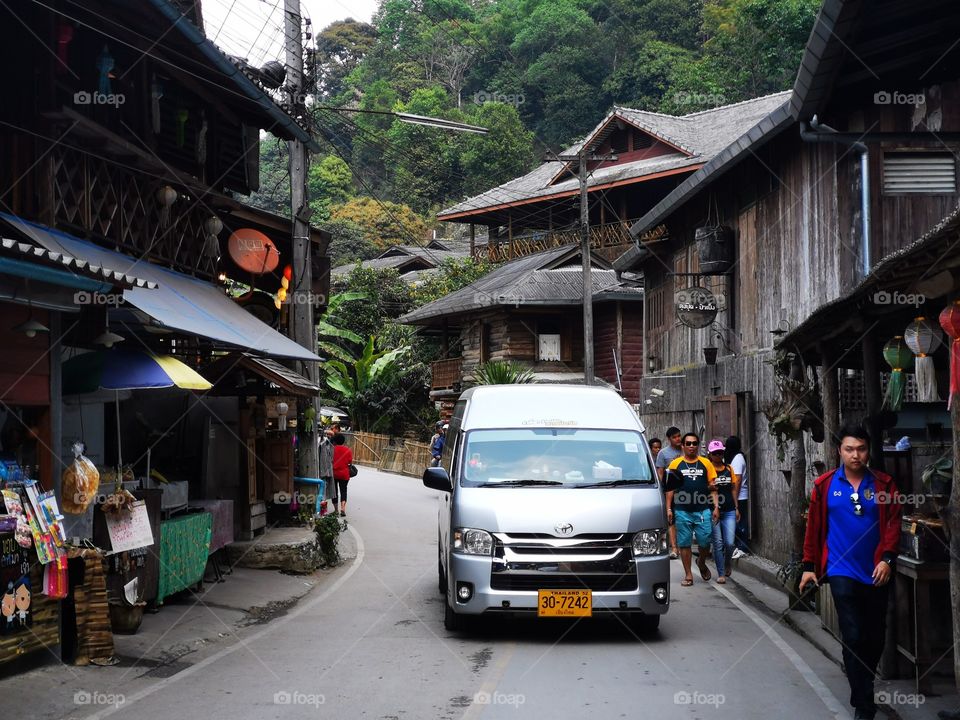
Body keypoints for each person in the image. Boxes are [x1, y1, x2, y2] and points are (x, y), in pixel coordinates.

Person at [799, 423, 902, 720]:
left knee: (874, 637)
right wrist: (808, 566)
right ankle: (863, 703)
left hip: (876, 571)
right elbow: (813, 529)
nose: (855, 455)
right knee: (853, 635)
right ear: (839, 451)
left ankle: (863, 684)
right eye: (849, 449)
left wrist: (887, 559)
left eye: (861, 449)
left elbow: (895, 523)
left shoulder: (883, 485)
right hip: (840, 569)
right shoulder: (825, 485)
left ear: (868, 451)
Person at [666, 433, 719, 586]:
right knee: (684, 543)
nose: (691, 446)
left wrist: (716, 507)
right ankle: (688, 574)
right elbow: (670, 489)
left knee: (705, 540)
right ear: (682, 446)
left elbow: (713, 488)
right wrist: (669, 508)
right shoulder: (675, 464)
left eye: (694, 443)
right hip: (682, 510)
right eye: (688, 443)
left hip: (703, 510)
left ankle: (701, 562)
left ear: (698, 445)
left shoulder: (706, 463)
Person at [706, 439, 739, 583]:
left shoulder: (729, 469)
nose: (718, 455)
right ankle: (720, 573)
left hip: (730, 510)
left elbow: (733, 489)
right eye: (715, 453)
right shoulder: (708, 470)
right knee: (718, 543)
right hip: (714, 511)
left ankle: (727, 563)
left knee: (730, 543)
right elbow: (705, 488)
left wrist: (737, 507)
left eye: (720, 453)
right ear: (710, 455)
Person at [655, 427, 683, 558]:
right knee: (671, 520)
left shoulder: (686, 449)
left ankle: (683, 545)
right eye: (674, 437)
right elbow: (660, 472)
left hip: (686, 491)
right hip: (670, 491)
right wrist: (663, 489)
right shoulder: (663, 453)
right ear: (669, 439)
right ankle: (674, 548)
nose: (678, 439)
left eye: (679, 436)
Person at [725, 436, 750, 555]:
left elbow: (738, 480)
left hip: (740, 496)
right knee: (736, 521)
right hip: (737, 496)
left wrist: (734, 497)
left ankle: (743, 547)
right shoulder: (736, 457)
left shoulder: (738, 459)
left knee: (740, 522)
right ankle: (737, 546)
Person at [331, 432, 354, 517]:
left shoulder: (332, 449)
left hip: (334, 473)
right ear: (343, 441)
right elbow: (350, 463)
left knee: (334, 492)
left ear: (335, 441)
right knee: (343, 491)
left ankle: (336, 510)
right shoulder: (348, 450)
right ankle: (343, 508)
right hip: (344, 474)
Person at [318, 425, 334, 514]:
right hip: (322, 472)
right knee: (322, 493)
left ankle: (322, 511)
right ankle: (322, 511)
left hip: (323, 472)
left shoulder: (326, 443)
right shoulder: (323, 443)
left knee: (322, 493)